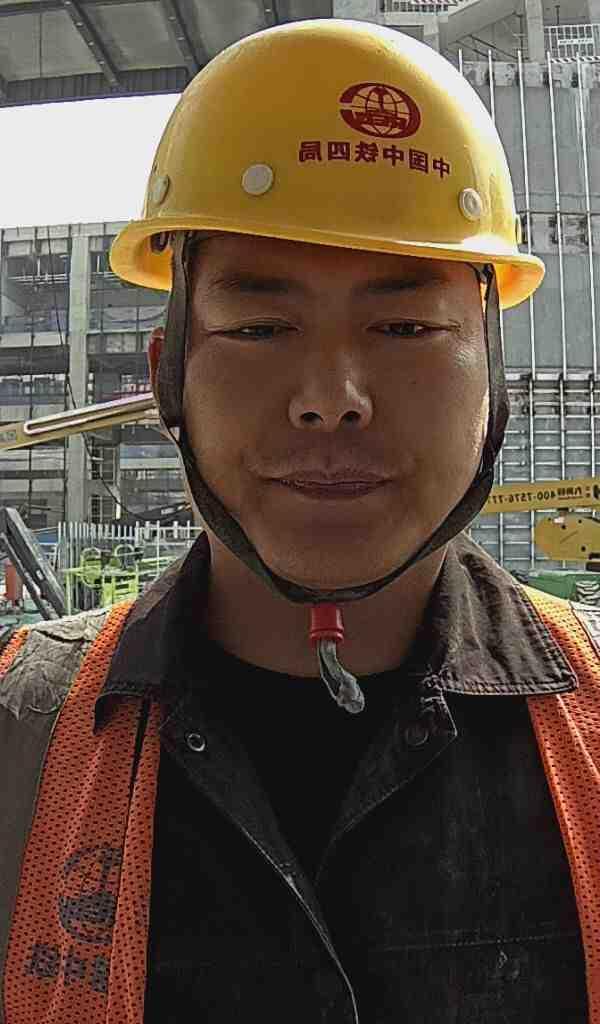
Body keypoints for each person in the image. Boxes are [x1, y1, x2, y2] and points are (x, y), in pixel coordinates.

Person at [1, 19, 599, 1024]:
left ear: (493, 379)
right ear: (167, 375)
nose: (331, 398)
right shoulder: (24, 742)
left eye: (405, 326)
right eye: (260, 327)